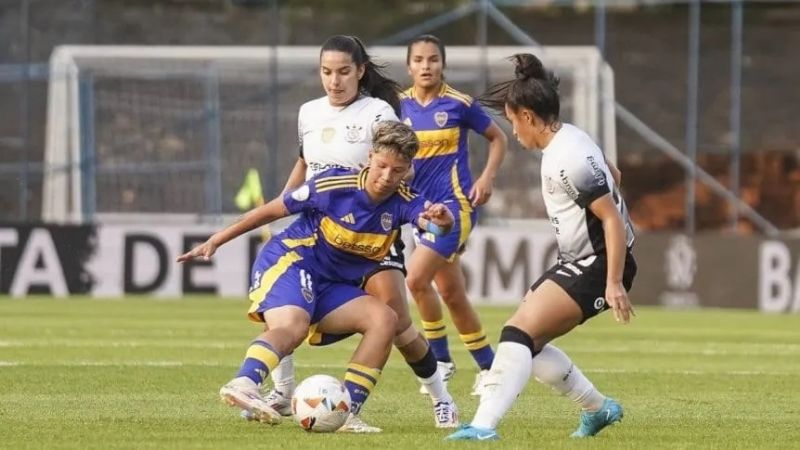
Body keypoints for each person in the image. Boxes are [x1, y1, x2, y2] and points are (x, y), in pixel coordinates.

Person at [178, 121, 455, 433]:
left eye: (397, 170)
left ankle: (346, 413)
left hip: (335, 286)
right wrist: (217, 239)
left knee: (385, 320)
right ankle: (245, 382)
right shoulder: (332, 186)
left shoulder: (405, 200)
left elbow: (430, 224)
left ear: (407, 169)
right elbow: (270, 211)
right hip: (293, 262)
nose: (387, 177)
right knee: (292, 327)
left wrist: (442, 223)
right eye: (382, 166)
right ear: (369, 157)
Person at [264, 35, 460, 429]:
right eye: (326, 72)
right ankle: (283, 393)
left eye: (342, 72)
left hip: (371, 235)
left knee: (396, 323)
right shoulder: (309, 113)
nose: (334, 81)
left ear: (360, 72)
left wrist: (405, 205)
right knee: (284, 298)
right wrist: (284, 203)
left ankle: (441, 397)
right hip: (318, 231)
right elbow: (304, 163)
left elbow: (404, 164)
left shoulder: (378, 112)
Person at [445, 53, 637, 441]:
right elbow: (613, 175)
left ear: (529, 117)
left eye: (514, 122)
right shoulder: (574, 138)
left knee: (516, 335)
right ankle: (598, 409)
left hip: (598, 264)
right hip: (584, 260)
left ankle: (482, 427)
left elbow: (611, 220)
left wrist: (613, 281)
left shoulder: (566, 157)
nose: (514, 133)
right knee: (525, 343)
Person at [400, 35, 508, 395]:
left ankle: (440, 360)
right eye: (419, 60)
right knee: (452, 294)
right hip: (421, 212)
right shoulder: (397, 106)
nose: (426, 66)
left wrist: (487, 177)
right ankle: (490, 368)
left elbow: (498, 138)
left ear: (442, 64)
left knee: (415, 279)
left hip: (456, 208)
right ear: (409, 66)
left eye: (433, 59)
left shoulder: (459, 104)